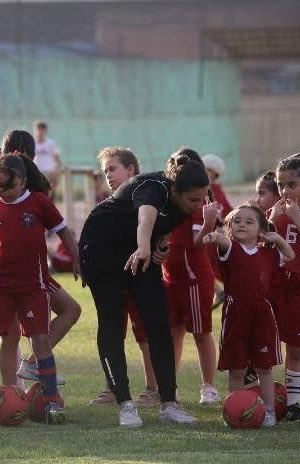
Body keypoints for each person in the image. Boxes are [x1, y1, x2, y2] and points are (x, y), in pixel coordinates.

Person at [80, 149, 209, 427]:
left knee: (158, 321)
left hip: (140, 250)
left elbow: (164, 225)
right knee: (112, 322)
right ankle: (125, 404)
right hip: (102, 246)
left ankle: (168, 404)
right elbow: (146, 219)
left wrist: (160, 244)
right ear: (175, 190)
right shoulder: (153, 188)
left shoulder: (188, 199)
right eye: (194, 200)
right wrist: (143, 247)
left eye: (202, 198)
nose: (199, 205)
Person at [0, 154, 79, 424]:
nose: (4, 192)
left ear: (23, 180)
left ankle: (52, 402)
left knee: (40, 343)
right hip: (1, 287)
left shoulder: (39, 203)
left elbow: (65, 232)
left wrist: (78, 260)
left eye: (10, 186)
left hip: (33, 287)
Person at [0, 130, 80, 386]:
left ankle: (17, 386)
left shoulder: (11, 187)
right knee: (43, 326)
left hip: (21, 272)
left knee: (11, 337)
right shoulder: (32, 188)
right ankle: (24, 382)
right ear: (32, 154)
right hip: (25, 273)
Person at [203, 204, 294, 427]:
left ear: (261, 230)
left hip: (263, 314)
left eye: (249, 221)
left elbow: (290, 255)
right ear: (230, 228)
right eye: (237, 221)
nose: (242, 224)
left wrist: (277, 239)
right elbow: (222, 240)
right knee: (237, 370)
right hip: (236, 314)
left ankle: (270, 412)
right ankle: (234, 410)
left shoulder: (268, 253)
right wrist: (214, 233)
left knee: (264, 368)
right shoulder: (230, 248)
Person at [89, 147, 159, 408]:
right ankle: (114, 387)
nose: (108, 175)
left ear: (131, 169)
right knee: (111, 332)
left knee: (145, 335)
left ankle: (154, 388)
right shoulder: (105, 206)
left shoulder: (146, 200)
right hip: (112, 281)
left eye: (112, 168)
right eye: (105, 170)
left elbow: (158, 233)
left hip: (140, 278)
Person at [162, 151, 220, 405]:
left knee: (201, 332)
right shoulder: (168, 196)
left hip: (193, 278)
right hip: (170, 276)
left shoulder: (197, 198)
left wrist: (208, 223)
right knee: (173, 332)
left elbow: (198, 242)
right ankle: (170, 386)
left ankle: (208, 387)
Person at [269, 156, 300, 423]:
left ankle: (294, 404)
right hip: (277, 287)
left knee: (298, 347)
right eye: (280, 184)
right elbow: (261, 246)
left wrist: (296, 218)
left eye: (292, 184)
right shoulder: (275, 212)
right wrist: (271, 222)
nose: (285, 191)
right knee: (279, 345)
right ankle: (279, 401)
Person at [201, 154, 233, 309]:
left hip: (216, 239)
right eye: (208, 171)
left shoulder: (217, 190)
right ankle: (218, 291)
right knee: (202, 267)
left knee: (221, 268)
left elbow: (228, 211)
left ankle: (226, 292)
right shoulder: (197, 191)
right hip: (202, 237)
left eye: (214, 174)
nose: (211, 177)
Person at [33, 120, 62, 199]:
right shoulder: (33, 143)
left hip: (49, 171)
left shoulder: (51, 143)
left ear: (45, 131)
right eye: (38, 129)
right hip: (37, 172)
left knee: (50, 194)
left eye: (42, 129)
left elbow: (56, 157)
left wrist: (58, 170)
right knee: (39, 193)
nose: (40, 132)